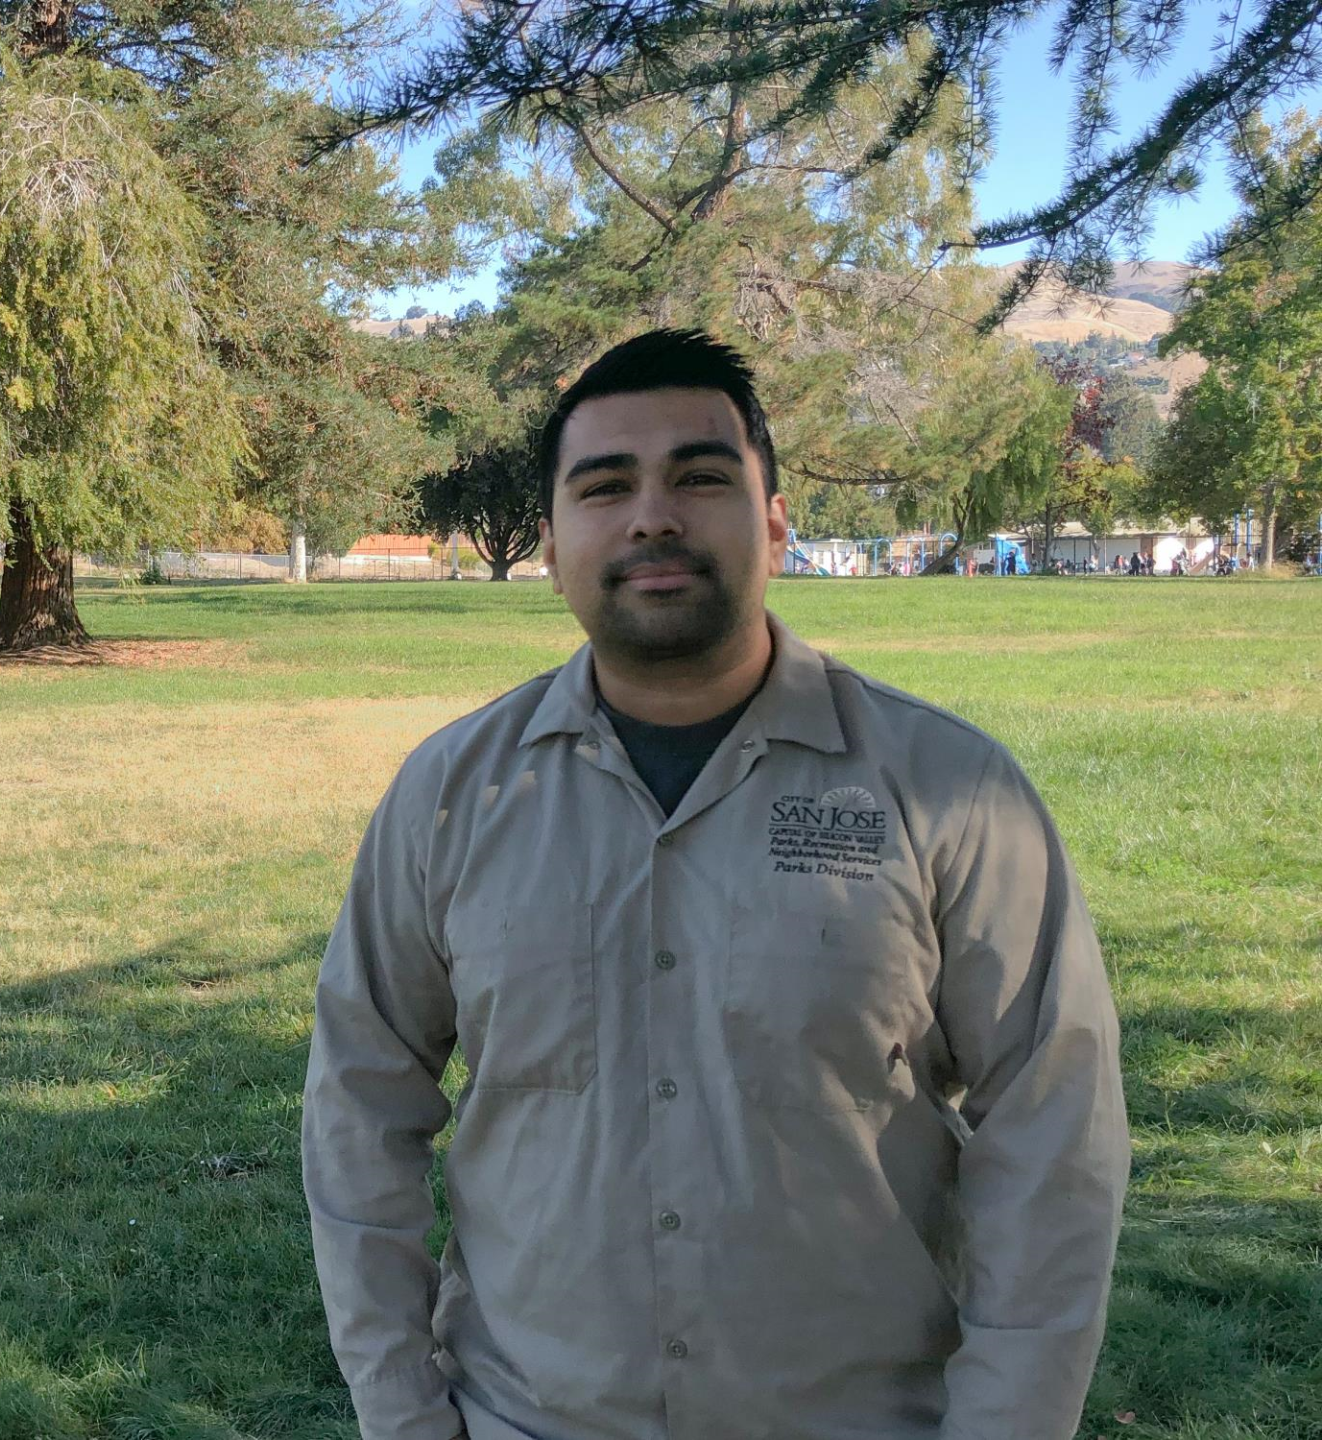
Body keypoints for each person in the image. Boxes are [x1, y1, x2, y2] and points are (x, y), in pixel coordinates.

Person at [302, 328, 1131, 1440]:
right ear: (550, 543)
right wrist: (402, 1413)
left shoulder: (951, 791)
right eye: (606, 487)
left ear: (776, 523)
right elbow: (361, 1103)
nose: (653, 516)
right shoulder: (450, 799)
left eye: (700, 477)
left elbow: (1054, 1126)